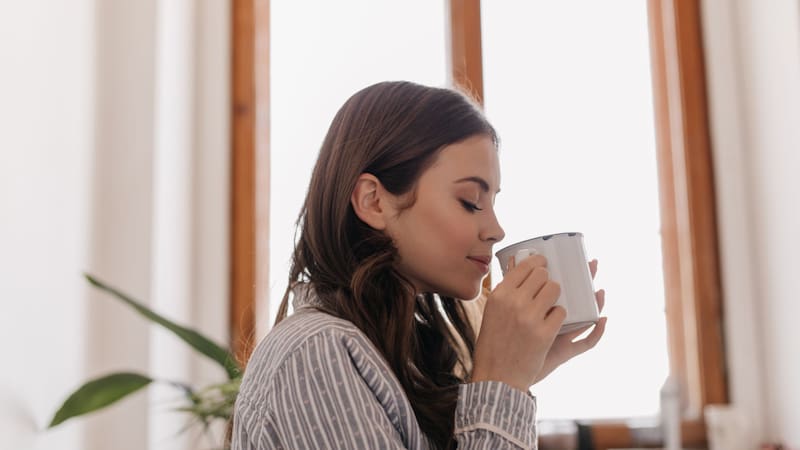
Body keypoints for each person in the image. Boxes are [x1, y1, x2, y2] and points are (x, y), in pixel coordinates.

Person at [231, 81, 607, 450]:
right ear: (374, 201)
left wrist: (517, 376)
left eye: (493, 203)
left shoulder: (404, 359)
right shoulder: (317, 352)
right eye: (470, 201)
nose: (496, 230)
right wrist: (500, 386)